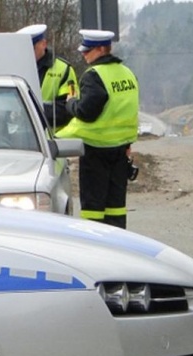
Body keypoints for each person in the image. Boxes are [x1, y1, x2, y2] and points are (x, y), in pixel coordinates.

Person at [57, 29, 139, 229]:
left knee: (93, 208)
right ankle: (117, 241)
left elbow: (86, 112)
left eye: (88, 50)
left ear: (102, 49)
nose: (84, 54)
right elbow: (127, 110)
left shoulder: (94, 76)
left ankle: (93, 243)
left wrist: (71, 103)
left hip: (96, 151)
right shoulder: (127, 73)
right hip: (121, 150)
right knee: (116, 206)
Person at [17, 24, 79, 129]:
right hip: (17, 134)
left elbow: (68, 108)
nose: (26, 53)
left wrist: (30, 110)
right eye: (23, 49)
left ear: (43, 44)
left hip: (50, 135)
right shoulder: (14, 66)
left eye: (31, 48)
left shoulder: (64, 70)